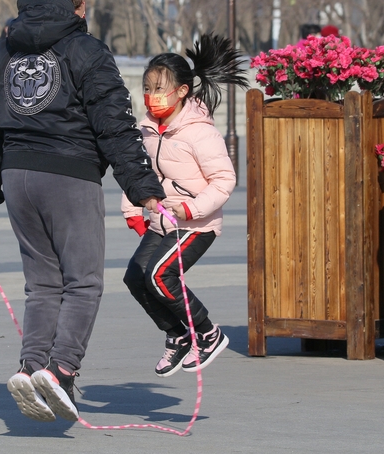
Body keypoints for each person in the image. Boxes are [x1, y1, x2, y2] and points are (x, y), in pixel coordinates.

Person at [0, 0, 165, 422]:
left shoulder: (5, 50)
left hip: (17, 173)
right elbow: (114, 124)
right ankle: (60, 369)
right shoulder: (86, 50)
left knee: (41, 283)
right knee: (83, 282)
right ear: (76, 6)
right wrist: (146, 190)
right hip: (69, 175)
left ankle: (31, 367)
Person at [121, 33, 249, 378]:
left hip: (197, 225)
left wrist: (193, 209)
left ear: (181, 92)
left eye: (160, 89)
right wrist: (132, 210)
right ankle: (177, 335)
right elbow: (139, 172)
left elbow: (225, 179)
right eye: (147, 88)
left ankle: (208, 333)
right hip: (161, 222)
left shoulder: (199, 132)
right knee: (135, 278)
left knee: (161, 276)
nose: (152, 96)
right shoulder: (147, 129)